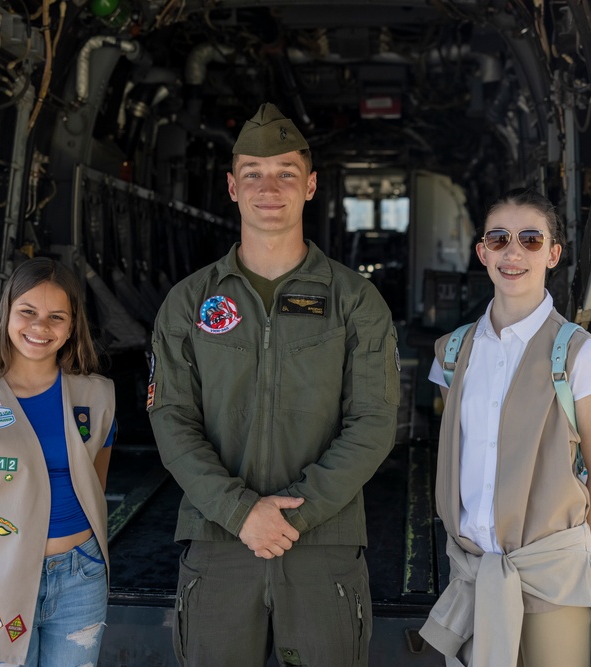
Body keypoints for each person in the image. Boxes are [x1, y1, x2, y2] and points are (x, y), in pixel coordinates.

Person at [147, 103, 400, 667]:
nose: (269, 187)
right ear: (232, 187)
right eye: (253, 173)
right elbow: (171, 419)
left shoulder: (354, 301)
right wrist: (239, 512)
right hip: (218, 541)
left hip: (322, 545)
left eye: (286, 172)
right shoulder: (189, 302)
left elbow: (374, 422)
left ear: (310, 186)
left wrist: (291, 517)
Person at [418, 189, 591, 666]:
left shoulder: (581, 356)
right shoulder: (452, 354)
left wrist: (586, 569)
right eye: (499, 239)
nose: (513, 252)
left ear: (552, 254)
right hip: (474, 570)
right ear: (483, 253)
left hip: (554, 580)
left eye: (530, 239)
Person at [0, 257, 117, 667]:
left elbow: (94, 484)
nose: (40, 327)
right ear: (7, 313)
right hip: (0, 577)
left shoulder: (98, 397)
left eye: (56, 317)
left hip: (81, 574)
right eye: (28, 312)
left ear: (72, 326)